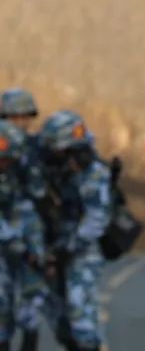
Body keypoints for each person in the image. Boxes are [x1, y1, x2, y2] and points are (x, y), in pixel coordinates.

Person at [38, 111, 111, 351]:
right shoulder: (49, 167)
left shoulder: (94, 172)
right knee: (56, 315)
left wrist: (69, 248)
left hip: (82, 249)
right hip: (53, 244)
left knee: (80, 313)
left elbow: (96, 218)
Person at [0, 90, 47, 351]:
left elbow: (41, 194)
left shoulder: (35, 148)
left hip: (30, 231)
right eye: (13, 117)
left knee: (33, 297)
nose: (19, 123)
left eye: (24, 117)